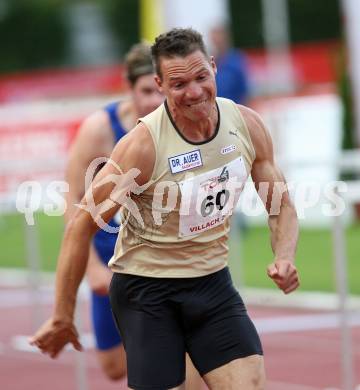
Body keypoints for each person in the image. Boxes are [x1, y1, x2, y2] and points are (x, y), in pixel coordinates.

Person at [30, 28, 300, 390]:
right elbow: (81, 224)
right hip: (147, 292)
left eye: (201, 77)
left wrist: (284, 255)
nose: (194, 92)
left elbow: (279, 202)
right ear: (159, 84)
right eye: (178, 84)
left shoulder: (245, 125)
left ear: (214, 67)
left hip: (212, 284)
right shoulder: (143, 146)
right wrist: (62, 315)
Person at [63, 43, 164, 381]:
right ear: (129, 87)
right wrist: (91, 268)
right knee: (114, 367)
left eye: (159, 89)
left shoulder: (176, 125)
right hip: (111, 258)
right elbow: (73, 198)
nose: (154, 101)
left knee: (170, 350)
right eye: (146, 90)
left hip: (162, 258)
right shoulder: (100, 129)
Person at [210, 24, 249, 104]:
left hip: (235, 107)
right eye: (214, 38)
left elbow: (244, 90)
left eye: (219, 37)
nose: (217, 41)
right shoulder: (210, 61)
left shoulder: (236, 59)